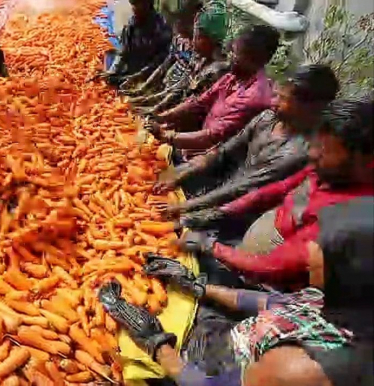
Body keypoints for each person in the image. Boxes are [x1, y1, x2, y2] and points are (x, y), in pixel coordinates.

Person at [101, 196, 374, 386]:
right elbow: (271, 303)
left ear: (347, 267)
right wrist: (197, 286)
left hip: (209, 371)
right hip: (233, 338)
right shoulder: (342, 300)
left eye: (320, 246)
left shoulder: (297, 368)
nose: (308, 249)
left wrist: (158, 344)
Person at [177, 99, 374, 290]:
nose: (313, 154)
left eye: (324, 151)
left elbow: (274, 266)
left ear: (361, 158)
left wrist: (211, 246)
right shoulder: (330, 170)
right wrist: (212, 214)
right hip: (244, 252)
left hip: (266, 287)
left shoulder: (350, 218)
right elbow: (277, 189)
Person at [157, 65, 340, 222]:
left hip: (242, 215)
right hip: (221, 189)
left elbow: (245, 187)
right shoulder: (267, 118)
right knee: (159, 177)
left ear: (309, 107)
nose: (271, 102)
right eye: (276, 95)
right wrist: (179, 176)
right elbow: (223, 152)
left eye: (282, 99)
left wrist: (185, 207)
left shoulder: (301, 151)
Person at [151, 25, 278, 161]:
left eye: (236, 54)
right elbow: (199, 102)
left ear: (254, 59)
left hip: (211, 163)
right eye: (232, 52)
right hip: (193, 151)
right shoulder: (235, 76)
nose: (230, 58)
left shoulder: (253, 97)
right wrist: (163, 117)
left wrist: (166, 136)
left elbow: (213, 137)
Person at [129, 0, 229, 116]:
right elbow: (180, 87)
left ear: (212, 39)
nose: (194, 41)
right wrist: (151, 103)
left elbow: (194, 105)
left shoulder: (218, 72)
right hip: (172, 108)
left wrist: (160, 115)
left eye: (198, 37)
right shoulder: (199, 57)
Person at [102, 0, 172, 87]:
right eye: (133, 5)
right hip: (133, 69)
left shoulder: (161, 27)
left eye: (138, 5)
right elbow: (124, 53)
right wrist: (113, 71)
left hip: (151, 73)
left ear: (148, 4)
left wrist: (138, 76)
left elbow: (162, 60)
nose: (134, 9)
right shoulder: (131, 25)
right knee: (109, 63)